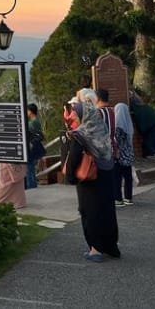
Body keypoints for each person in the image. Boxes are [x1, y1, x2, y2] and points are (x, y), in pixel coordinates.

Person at [64, 101, 120, 262]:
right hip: (107, 174)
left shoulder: (81, 134)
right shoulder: (101, 130)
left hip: (90, 178)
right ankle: (111, 247)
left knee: (90, 212)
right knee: (107, 211)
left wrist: (71, 178)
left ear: (83, 115)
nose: (72, 115)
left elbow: (74, 157)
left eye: (75, 113)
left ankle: (95, 250)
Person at [114, 101, 135, 206]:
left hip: (119, 155)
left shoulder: (117, 126)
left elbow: (116, 141)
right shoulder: (129, 125)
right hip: (128, 155)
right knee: (128, 177)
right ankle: (128, 197)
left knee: (117, 178)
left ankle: (118, 199)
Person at [130, 94, 155, 159]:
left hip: (148, 124)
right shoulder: (144, 106)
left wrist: (141, 130)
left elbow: (140, 120)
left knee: (147, 139)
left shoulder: (136, 107)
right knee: (154, 138)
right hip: (154, 122)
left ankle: (154, 154)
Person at [26, 103, 45, 189]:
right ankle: (33, 187)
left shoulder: (33, 123)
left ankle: (32, 188)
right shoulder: (35, 121)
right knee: (31, 171)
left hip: (32, 150)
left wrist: (31, 143)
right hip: (33, 149)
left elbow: (38, 136)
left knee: (29, 171)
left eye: (27, 110)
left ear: (31, 111)